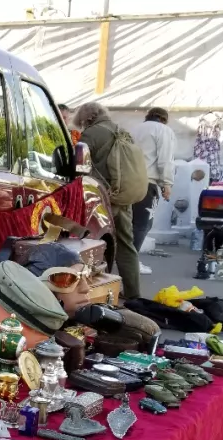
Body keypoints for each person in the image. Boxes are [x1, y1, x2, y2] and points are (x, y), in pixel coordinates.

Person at [73, 102, 142, 299]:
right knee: (126, 246)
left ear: (86, 118)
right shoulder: (122, 131)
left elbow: (78, 168)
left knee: (92, 246)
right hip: (123, 196)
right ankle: (133, 294)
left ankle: (94, 294)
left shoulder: (90, 135)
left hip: (100, 198)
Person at [131, 107, 177, 268]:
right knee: (143, 224)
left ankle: (125, 259)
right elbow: (165, 159)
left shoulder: (135, 129)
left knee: (128, 224)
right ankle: (132, 262)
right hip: (147, 182)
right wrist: (167, 183)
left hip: (127, 181)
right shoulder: (163, 130)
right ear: (164, 119)